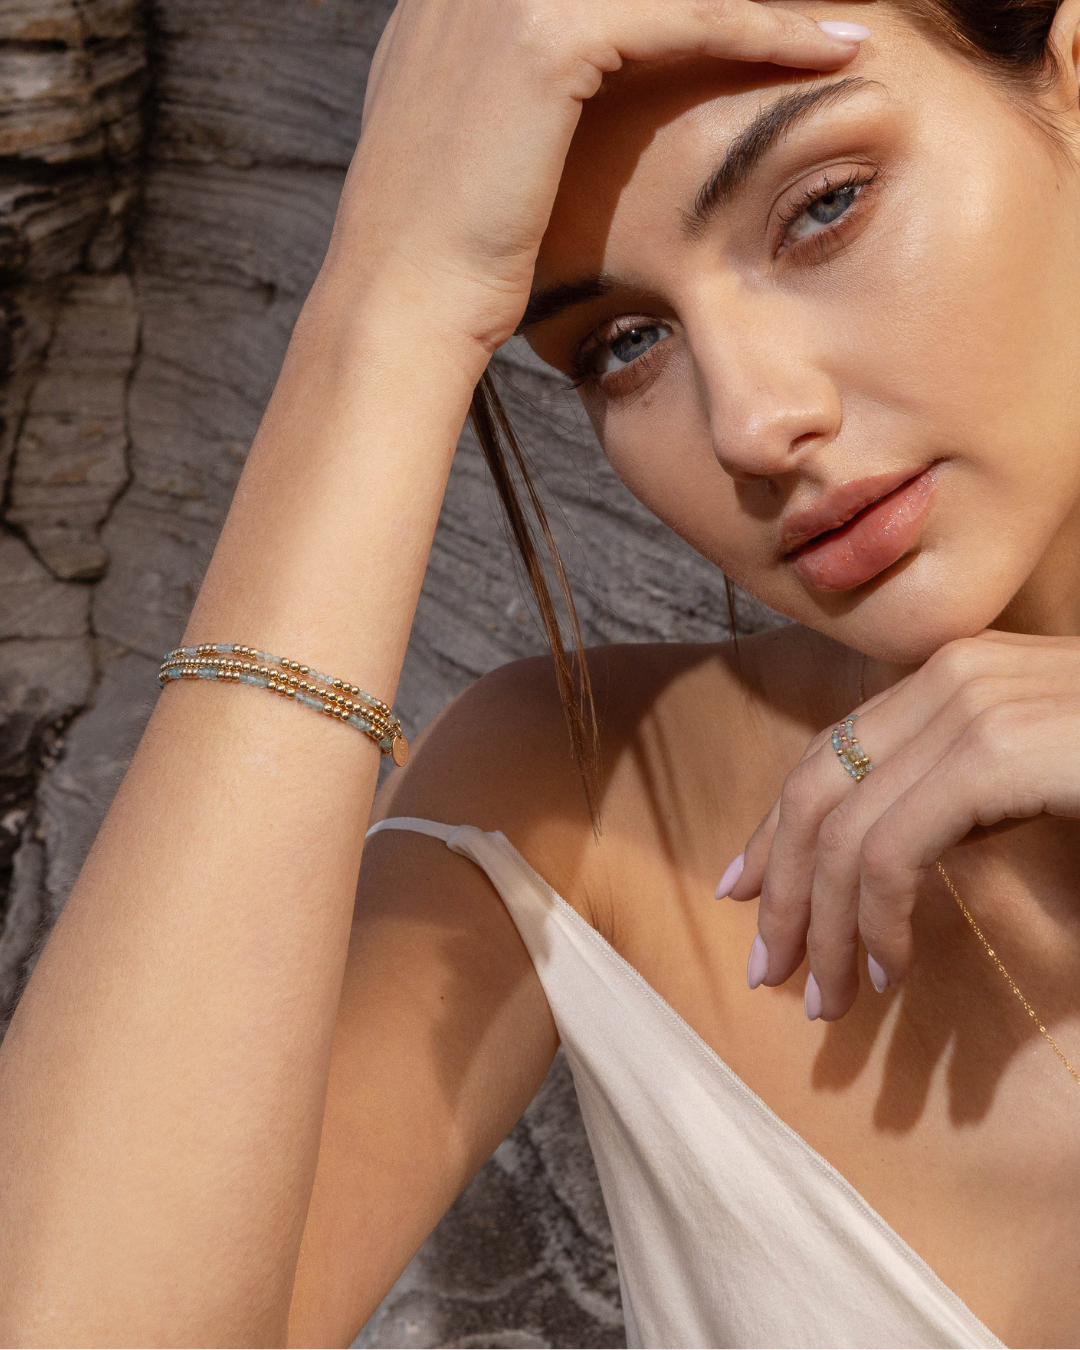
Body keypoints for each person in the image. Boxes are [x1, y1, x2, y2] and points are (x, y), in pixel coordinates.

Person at [2, 0, 1080, 1344]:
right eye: (620, 344)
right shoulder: (581, 797)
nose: (754, 422)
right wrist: (386, 304)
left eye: (824, 206)